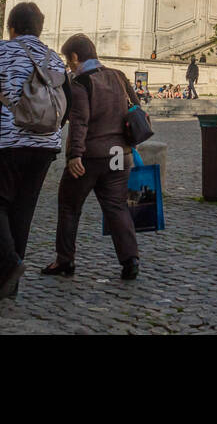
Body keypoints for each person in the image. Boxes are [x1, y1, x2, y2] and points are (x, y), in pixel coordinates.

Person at [0, 2, 69, 300]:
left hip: (5, 140)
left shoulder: (0, 51)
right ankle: (10, 282)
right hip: (45, 146)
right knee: (22, 210)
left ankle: (9, 263)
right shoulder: (56, 59)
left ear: (11, 27)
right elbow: (66, 105)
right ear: (40, 29)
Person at [42, 34, 139, 281]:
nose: (69, 65)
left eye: (68, 60)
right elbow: (136, 107)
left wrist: (75, 155)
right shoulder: (119, 76)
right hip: (120, 154)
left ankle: (65, 259)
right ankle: (130, 259)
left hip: (91, 156)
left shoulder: (81, 83)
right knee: (116, 206)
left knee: (69, 206)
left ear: (75, 57)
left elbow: (80, 122)